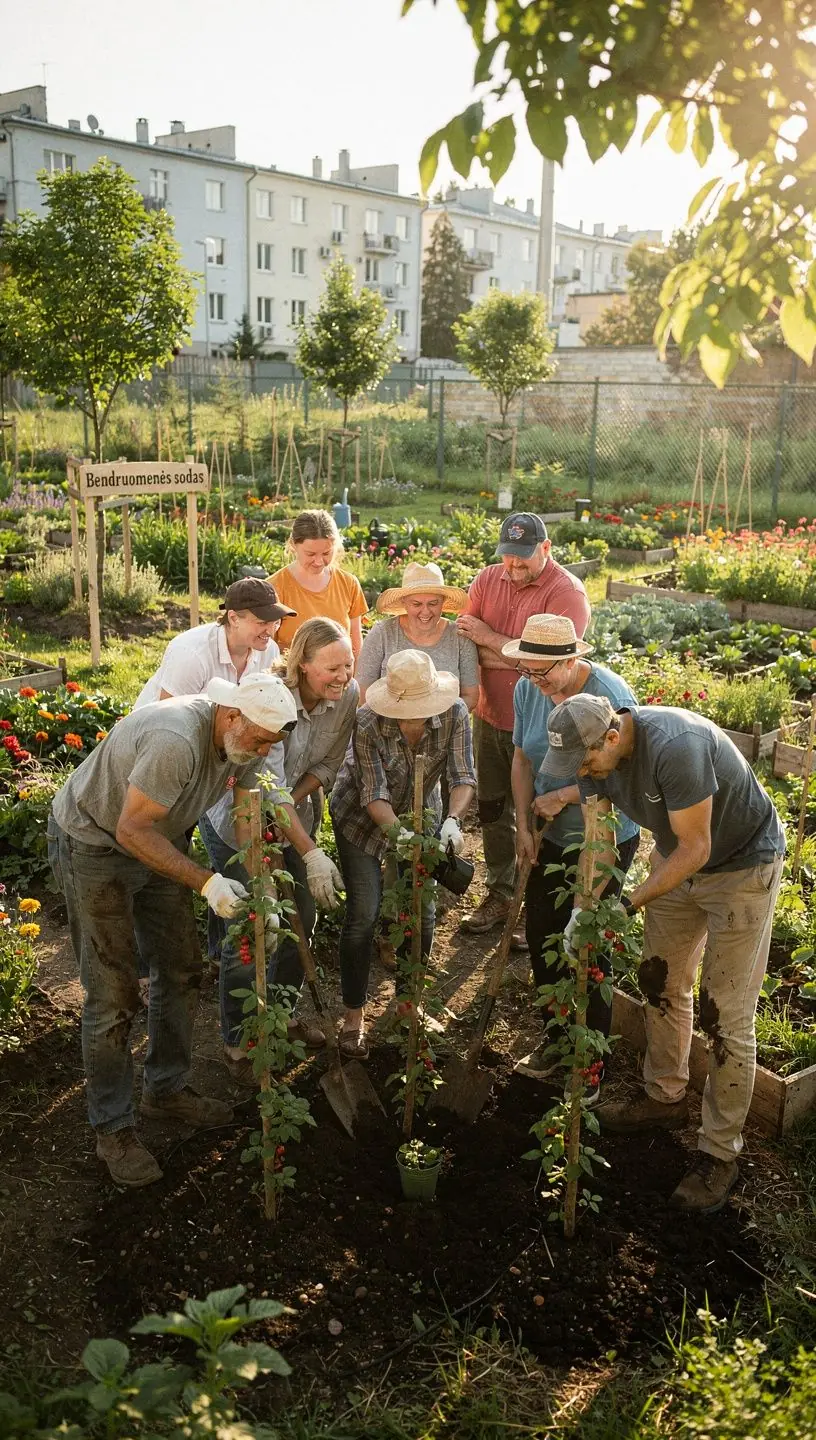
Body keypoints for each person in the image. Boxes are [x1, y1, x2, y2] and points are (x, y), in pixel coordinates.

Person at [46, 674, 300, 1188]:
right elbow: (130, 829)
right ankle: (113, 1129)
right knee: (113, 994)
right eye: (258, 741)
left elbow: (248, 814)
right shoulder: (175, 739)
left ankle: (165, 1089)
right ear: (231, 716)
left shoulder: (246, 740)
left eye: (270, 745)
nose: (260, 752)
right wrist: (209, 883)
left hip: (157, 842)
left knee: (181, 968)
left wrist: (262, 889)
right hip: (95, 844)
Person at [539, 692, 786, 1215]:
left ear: (612, 735)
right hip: (678, 861)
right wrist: (586, 908)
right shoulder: (590, 759)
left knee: (726, 1014)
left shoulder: (677, 746)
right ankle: (664, 1096)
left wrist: (625, 905)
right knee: (660, 981)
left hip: (741, 867)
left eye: (585, 762)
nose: (583, 772)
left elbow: (698, 847)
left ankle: (720, 1152)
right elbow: (600, 845)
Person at [200, 618, 358, 1082]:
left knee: (301, 918)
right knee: (252, 927)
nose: (343, 676)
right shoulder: (270, 700)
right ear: (302, 665)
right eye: (332, 667)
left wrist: (300, 811)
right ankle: (238, 1040)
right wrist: (311, 853)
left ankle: (283, 1015)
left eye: (348, 665)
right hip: (237, 818)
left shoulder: (346, 697)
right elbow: (264, 788)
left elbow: (328, 764)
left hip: (294, 816)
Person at [505, 614, 639, 1082]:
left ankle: (591, 1070)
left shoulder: (612, 698)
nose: (533, 681)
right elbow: (522, 758)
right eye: (526, 671)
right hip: (550, 834)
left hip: (604, 837)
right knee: (544, 939)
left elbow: (620, 780)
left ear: (570, 659)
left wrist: (563, 795)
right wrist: (522, 824)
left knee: (588, 948)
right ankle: (557, 1042)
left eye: (542, 672)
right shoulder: (529, 689)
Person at [329, 650, 476, 1058]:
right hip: (360, 818)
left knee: (421, 910)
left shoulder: (455, 713)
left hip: (421, 811)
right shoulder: (367, 721)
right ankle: (354, 1015)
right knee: (365, 913)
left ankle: (409, 1004)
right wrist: (400, 837)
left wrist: (451, 820)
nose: (414, 715)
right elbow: (373, 793)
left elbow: (463, 775)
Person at [457, 512, 591, 945]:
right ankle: (500, 892)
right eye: (507, 558)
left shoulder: (567, 593)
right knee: (495, 807)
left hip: (546, 723)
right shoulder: (487, 579)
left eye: (523, 558)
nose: (512, 567)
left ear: (546, 549)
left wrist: (490, 639)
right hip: (491, 713)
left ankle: (533, 906)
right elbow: (464, 643)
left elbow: (548, 664)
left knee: (541, 812)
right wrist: (509, 651)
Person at [133, 577, 295, 707]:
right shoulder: (191, 654)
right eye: (262, 622)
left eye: (276, 622)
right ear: (233, 618)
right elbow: (167, 717)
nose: (271, 631)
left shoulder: (269, 650)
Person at [356, 562, 479, 711]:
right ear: (404, 602)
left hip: (445, 727)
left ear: (443, 602)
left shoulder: (460, 637)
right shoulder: (382, 634)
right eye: (416, 604)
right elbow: (364, 696)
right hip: (388, 726)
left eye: (433, 603)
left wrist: (436, 720)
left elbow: (471, 697)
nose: (425, 612)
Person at [269, 509, 368, 661]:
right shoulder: (274, 587)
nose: (318, 561)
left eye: (326, 553)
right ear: (293, 545)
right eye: (310, 554)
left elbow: (355, 645)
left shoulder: (349, 584)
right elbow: (267, 648)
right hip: (289, 680)